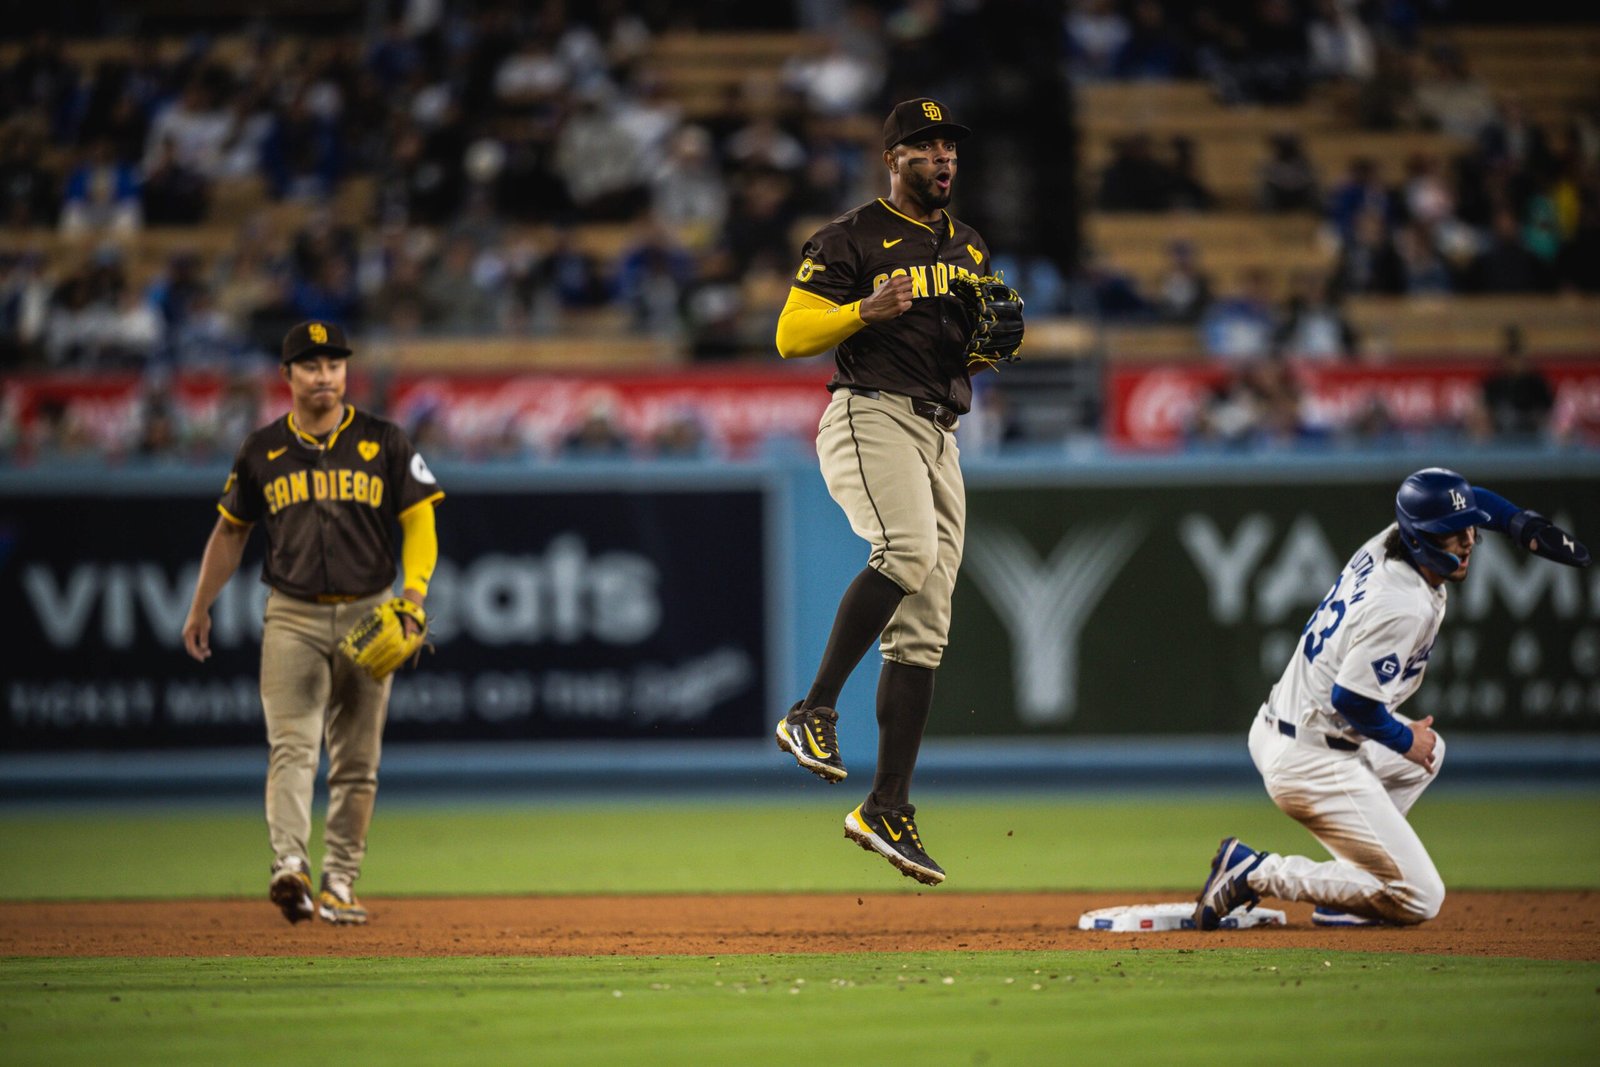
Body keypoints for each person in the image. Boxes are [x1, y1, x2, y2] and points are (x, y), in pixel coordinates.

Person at [1194, 468, 1589, 930]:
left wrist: (1518, 523)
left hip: (1287, 726)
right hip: (1310, 760)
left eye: (1470, 530)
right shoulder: (1402, 604)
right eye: (1451, 535)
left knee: (1430, 751)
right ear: (1421, 539)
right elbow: (1351, 701)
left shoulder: (1390, 542)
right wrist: (1404, 739)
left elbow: (1466, 499)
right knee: (1422, 897)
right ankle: (1255, 871)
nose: (1466, 542)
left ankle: (1346, 895)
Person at [773, 97, 1003, 886]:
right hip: (869, 413)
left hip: (941, 431)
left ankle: (887, 805)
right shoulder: (851, 236)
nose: (942, 159)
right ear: (893, 159)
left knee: (926, 625)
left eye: (950, 148)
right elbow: (789, 335)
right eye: (925, 146)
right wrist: (858, 309)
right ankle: (813, 709)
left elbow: (963, 356)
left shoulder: (969, 246)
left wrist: (983, 353)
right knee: (904, 550)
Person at [181, 321, 444, 926]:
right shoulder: (261, 449)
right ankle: (290, 869)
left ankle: (341, 883)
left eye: (334, 364)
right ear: (288, 376)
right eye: (311, 365)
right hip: (293, 616)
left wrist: (413, 595)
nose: (325, 375)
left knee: (357, 762)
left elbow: (421, 519)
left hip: (369, 610)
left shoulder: (385, 441)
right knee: (292, 747)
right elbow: (230, 532)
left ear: (345, 371)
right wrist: (200, 606)